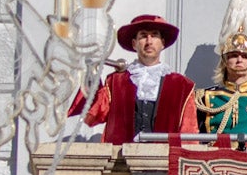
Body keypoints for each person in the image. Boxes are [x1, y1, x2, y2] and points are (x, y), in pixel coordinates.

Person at [76, 14, 197, 145]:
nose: (149, 41)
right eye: (143, 36)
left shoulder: (182, 85)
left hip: (163, 161)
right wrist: (91, 75)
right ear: (134, 44)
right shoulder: (115, 82)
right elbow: (92, 116)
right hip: (120, 159)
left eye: (154, 35)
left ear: (163, 43)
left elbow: (189, 135)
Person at [195, 0, 247, 135]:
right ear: (224, 59)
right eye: (233, 55)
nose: (239, 60)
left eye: (244, 56)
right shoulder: (204, 97)